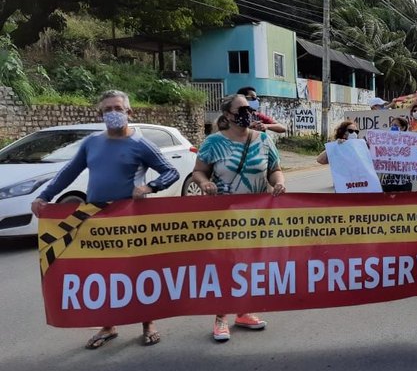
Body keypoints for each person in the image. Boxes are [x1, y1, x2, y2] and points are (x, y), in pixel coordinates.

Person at [31, 89, 179, 349]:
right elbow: (68, 172)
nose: (113, 113)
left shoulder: (141, 144)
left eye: (118, 108)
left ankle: (148, 323)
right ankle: (109, 325)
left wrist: (150, 187)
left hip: (132, 218)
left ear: (129, 112)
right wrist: (45, 196)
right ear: (100, 114)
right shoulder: (91, 143)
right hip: (96, 218)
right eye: (107, 110)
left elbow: (170, 171)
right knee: (104, 272)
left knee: (139, 271)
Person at [191, 94, 286, 342]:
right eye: (241, 108)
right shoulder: (213, 142)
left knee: (250, 265)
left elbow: (274, 170)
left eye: (249, 108)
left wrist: (279, 183)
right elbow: (199, 172)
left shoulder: (264, 140)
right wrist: (205, 183)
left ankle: (243, 312)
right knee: (227, 266)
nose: (248, 112)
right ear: (228, 115)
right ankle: (221, 317)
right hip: (224, 217)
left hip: (257, 216)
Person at [379, 117, 416, 192]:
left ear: (403, 128)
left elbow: (413, 158)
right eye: (392, 125)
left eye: (395, 125)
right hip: (387, 181)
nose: (393, 127)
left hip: (404, 181)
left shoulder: (409, 142)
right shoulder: (384, 141)